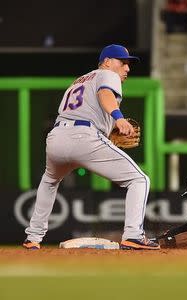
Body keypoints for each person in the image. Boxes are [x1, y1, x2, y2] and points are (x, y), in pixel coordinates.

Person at [22, 44, 160, 251]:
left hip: (57, 137)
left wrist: (107, 129)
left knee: (49, 181)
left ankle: (33, 237)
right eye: (123, 63)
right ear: (107, 62)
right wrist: (119, 119)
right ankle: (133, 235)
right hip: (84, 136)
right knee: (139, 179)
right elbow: (105, 94)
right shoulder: (107, 75)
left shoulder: (79, 81)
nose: (127, 69)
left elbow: (87, 108)